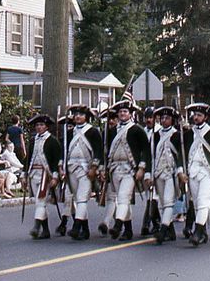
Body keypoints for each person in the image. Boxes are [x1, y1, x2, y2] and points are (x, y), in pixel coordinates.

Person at [103, 98, 151, 241]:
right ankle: (128, 229)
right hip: (115, 168)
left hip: (130, 169)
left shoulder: (137, 130)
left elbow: (146, 151)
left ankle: (117, 226)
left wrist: (142, 168)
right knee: (124, 200)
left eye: (125, 111)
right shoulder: (111, 131)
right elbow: (106, 150)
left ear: (131, 114)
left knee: (123, 198)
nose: (122, 114)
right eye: (120, 112)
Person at [182, 103, 210, 246]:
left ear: (206, 117)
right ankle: (203, 233)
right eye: (194, 115)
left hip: (207, 172)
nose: (196, 117)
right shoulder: (189, 133)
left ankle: (197, 232)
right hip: (192, 171)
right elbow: (181, 151)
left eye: (199, 115)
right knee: (196, 204)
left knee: (203, 202)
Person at [62, 105, 102, 240]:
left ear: (86, 117)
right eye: (75, 114)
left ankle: (76, 227)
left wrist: (94, 167)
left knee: (82, 198)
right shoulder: (70, 132)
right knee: (77, 199)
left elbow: (98, 151)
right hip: (71, 168)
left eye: (81, 114)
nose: (77, 116)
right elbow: (65, 150)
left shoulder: (93, 132)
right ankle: (85, 230)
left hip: (86, 169)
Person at [21, 114, 61, 240]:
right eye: (37, 125)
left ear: (47, 126)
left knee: (40, 200)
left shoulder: (53, 141)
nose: (39, 127)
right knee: (39, 202)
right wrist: (24, 174)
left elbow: (56, 160)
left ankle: (36, 226)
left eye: (41, 125)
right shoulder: (33, 140)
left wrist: (55, 176)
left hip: (46, 174)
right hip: (33, 173)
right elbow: (28, 159)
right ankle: (46, 231)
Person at [151, 106, 184, 244]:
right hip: (159, 171)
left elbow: (181, 154)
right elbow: (152, 154)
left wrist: (181, 171)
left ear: (172, 120)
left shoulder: (177, 135)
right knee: (162, 203)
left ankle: (163, 230)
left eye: (167, 118)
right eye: (162, 118)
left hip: (171, 172)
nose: (164, 120)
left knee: (169, 202)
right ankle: (170, 231)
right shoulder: (156, 135)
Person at [98, 108, 119, 236]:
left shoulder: (122, 132)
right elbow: (102, 152)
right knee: (112, 197)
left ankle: (107, 222)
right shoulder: (105, 133)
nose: (111, 121)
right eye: (109, 119)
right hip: (109, 168)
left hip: (122, 168)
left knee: (119, 198)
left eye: (113, 118)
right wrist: (101, 168)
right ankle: (118, 223)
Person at [141, 107, 162, 236]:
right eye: (147, 117)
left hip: (158, 165)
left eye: (151, 117)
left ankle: (147, 223)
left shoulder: (160, 131)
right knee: (150, 196)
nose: (149, 120)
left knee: (154, 196)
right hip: (145, 166)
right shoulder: (143, 132)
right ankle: (156, 222)